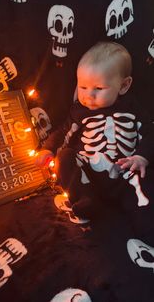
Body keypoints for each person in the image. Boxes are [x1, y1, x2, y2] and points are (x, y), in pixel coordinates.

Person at [35, 41, 154, 222]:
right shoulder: (78, 111)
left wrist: (141, 157)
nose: (88, 95)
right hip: (88, 177)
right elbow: (62, 132)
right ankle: (85, 199)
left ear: (123, 86)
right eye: (82, 87)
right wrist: (48, 149)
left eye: (98, 88)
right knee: (65, 158)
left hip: (127, 174)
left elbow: (150, 132)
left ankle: (146, 224)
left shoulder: (132, 108)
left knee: (146, 179)